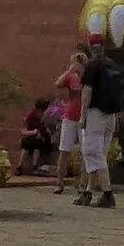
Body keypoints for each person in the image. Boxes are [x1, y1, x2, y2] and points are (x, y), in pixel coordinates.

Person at [78, 36, 124, 209]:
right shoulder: (111, 64)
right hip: (110, 116)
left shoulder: (93, 66)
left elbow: (87, 91)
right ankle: (88, 192)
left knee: (92, 152)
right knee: (100, 155)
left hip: (96, 113)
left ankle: (107, 193)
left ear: (90, 47)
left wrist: (82, 116)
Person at [53, 47, 87, 195]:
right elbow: (57, 83)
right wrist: (69, 70)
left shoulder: (88, 78)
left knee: (86, 151)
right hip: (70, 116)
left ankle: (82, 183)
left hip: (84, 117)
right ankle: (59, 182)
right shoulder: (70, 77)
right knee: (64, 149)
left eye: (74, 63)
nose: (73, 66)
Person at [17, 98, 54, 174]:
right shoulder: (31, 116)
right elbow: (23, 131)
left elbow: (44, 130)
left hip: (39, 140)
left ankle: (33, 166)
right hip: (30, 137)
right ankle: (20, 166)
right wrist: (33, 132)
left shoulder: (41, 117)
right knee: (27, 144)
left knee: (37, 144)